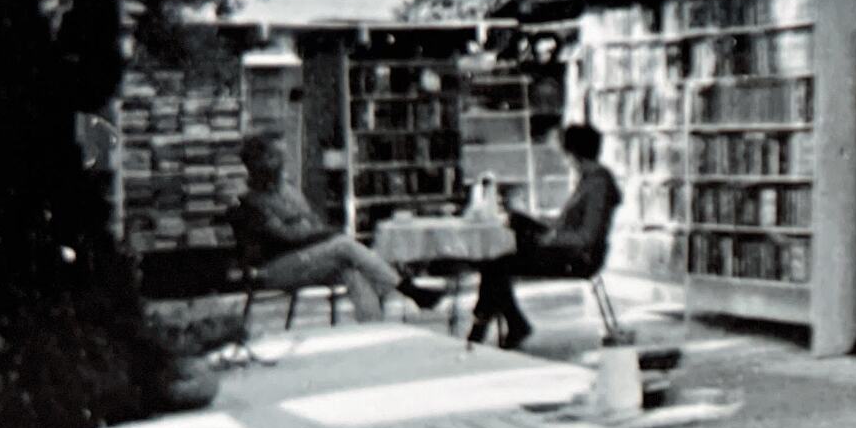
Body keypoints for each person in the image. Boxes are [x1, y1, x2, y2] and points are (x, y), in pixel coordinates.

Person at [233, 135, 442, 321]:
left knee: (349, 268)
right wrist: (322, 233)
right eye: (272, 158)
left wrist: (311, 229)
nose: (279, 164)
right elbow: (287, 236)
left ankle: (374, 323)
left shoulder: (287, 190)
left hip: (302, 259)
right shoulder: (251, 201)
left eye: (279, 158)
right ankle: (408, 289)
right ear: (255, 164)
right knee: (342, 245)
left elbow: (310, 222)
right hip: (272, 268)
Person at [468, 123, 620, 349]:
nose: (563, 160)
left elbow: (587, 236)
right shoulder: (589, 179)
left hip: (578, 257)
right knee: (508, 237)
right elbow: (570, 225)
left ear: (573, 153)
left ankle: (492, 325)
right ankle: (503, 324)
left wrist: (546, 239)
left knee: (497, 263)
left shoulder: (597, 183)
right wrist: (539, 224)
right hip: (566, 248)